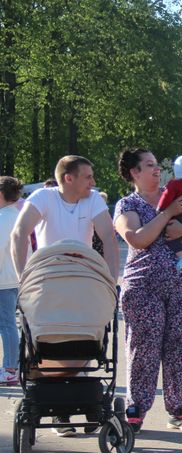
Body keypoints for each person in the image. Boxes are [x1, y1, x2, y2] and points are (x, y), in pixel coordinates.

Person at [11, 156, 120, 436]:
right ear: (68, 178)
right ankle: (58, 407)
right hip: (48, 280)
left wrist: (111, 280)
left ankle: (82, 401)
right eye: (88, 177)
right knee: (50, 339)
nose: (93, 182)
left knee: (82, 335)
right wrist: (23, 278)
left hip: (82, 278)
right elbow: (20, 233)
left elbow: (108, 237)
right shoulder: (44, 198)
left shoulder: (92, 200)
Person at [114, 148, 182, 433]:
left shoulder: (178, 193)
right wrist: (168, 213)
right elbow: (137, 239)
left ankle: (179, 409)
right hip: (143, 288)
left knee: (180, 347)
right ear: (135, 172)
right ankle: (136, 409)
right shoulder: (127, 205)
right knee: (143, 349)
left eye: (157, 165)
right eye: (150, 165)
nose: (157, 170)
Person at [0, 176, 23, 385]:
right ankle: (12, 366)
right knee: (10, 324)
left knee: (7, 325)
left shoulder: (3, 218)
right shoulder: (18, 215)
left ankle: (10, 368)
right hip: (14, 278)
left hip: (4, 280)